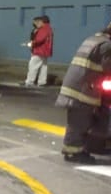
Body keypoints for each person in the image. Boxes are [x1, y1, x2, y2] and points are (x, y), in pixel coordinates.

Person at [55, 23, 111, 164]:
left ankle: (83, 148)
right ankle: (73, 153)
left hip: (77, 85)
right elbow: (108, 67)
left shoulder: (94, 39)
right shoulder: (107, 45)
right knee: (79, 122)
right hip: (82, 90)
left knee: (80, 121)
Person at [24, 16, 53, 87]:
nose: (37, 23)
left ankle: (29, 82)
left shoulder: (44, 29)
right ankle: (42, 82)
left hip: (39, 50)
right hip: (45, 51)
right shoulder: (49, 28)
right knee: (43, 67)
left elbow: (39, 40)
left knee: (33, 66)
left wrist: (29, 44)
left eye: (38, 22)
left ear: (42, 22)